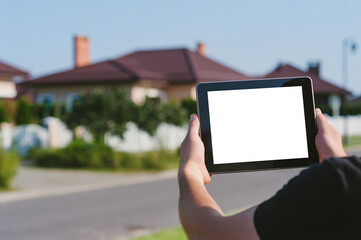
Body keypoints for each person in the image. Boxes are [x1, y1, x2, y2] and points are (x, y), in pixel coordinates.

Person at [178, 108, 361, 240]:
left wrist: (191, 172)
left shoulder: (337, 182)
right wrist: (337, 160)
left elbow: (209, 234)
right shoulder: (343, 183)